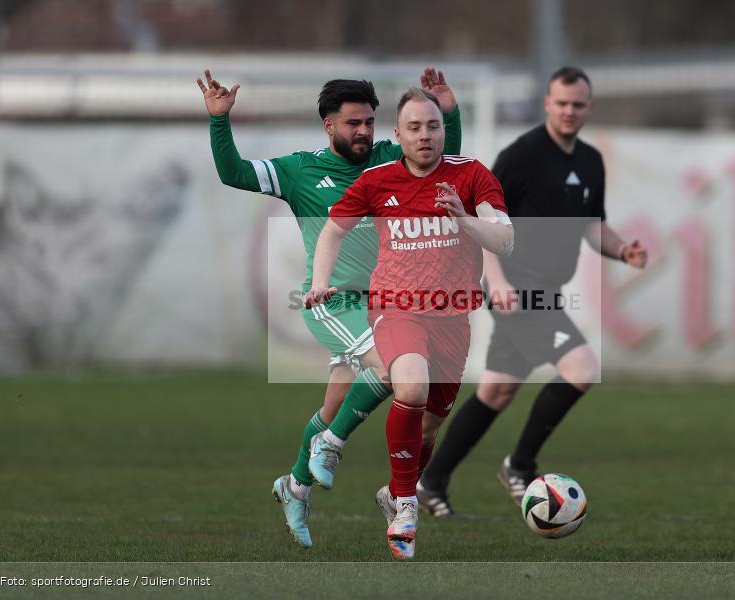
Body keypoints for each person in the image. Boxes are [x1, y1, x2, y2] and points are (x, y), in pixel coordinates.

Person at [197, 68, 462, 548]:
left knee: (338, 404)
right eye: (352, 123)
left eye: (368, 122)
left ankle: (294, 486)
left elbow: (444, 161)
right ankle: (330, 446)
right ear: (328, 125)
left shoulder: (389, 159)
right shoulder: (300, 169)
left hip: (387, 300)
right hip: (330, 301)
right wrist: (220, 120)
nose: (363, 132)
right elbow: (233, 173)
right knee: (391, 367)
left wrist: (449, 112)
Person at [417, 66, 648, 517]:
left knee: (497, 391)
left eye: (577, 104)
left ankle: (431, 480)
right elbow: (484, 220)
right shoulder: (521, 156)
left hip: (547, 290)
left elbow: (592, 226)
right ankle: (519, 466)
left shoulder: (589, 161)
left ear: (589, 107)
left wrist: (623, 251)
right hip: (516, 287)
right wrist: (496, 281)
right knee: (582, 368)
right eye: (561, 103)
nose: (569, 111)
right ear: (547, 103)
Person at [304, 88, 513, 560]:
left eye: (433, 126)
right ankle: (405, 507)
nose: (425, 136)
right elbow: (333, 230)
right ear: (397, 135)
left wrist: (464, 220)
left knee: (430, 425)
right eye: (414, 128)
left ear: (443, 131)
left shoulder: (472, 175)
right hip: (395, 307)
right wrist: (319, 281)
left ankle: (392, 490)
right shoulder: (377, 180)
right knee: (412, 387)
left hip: (453, 318)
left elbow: (504, 239)